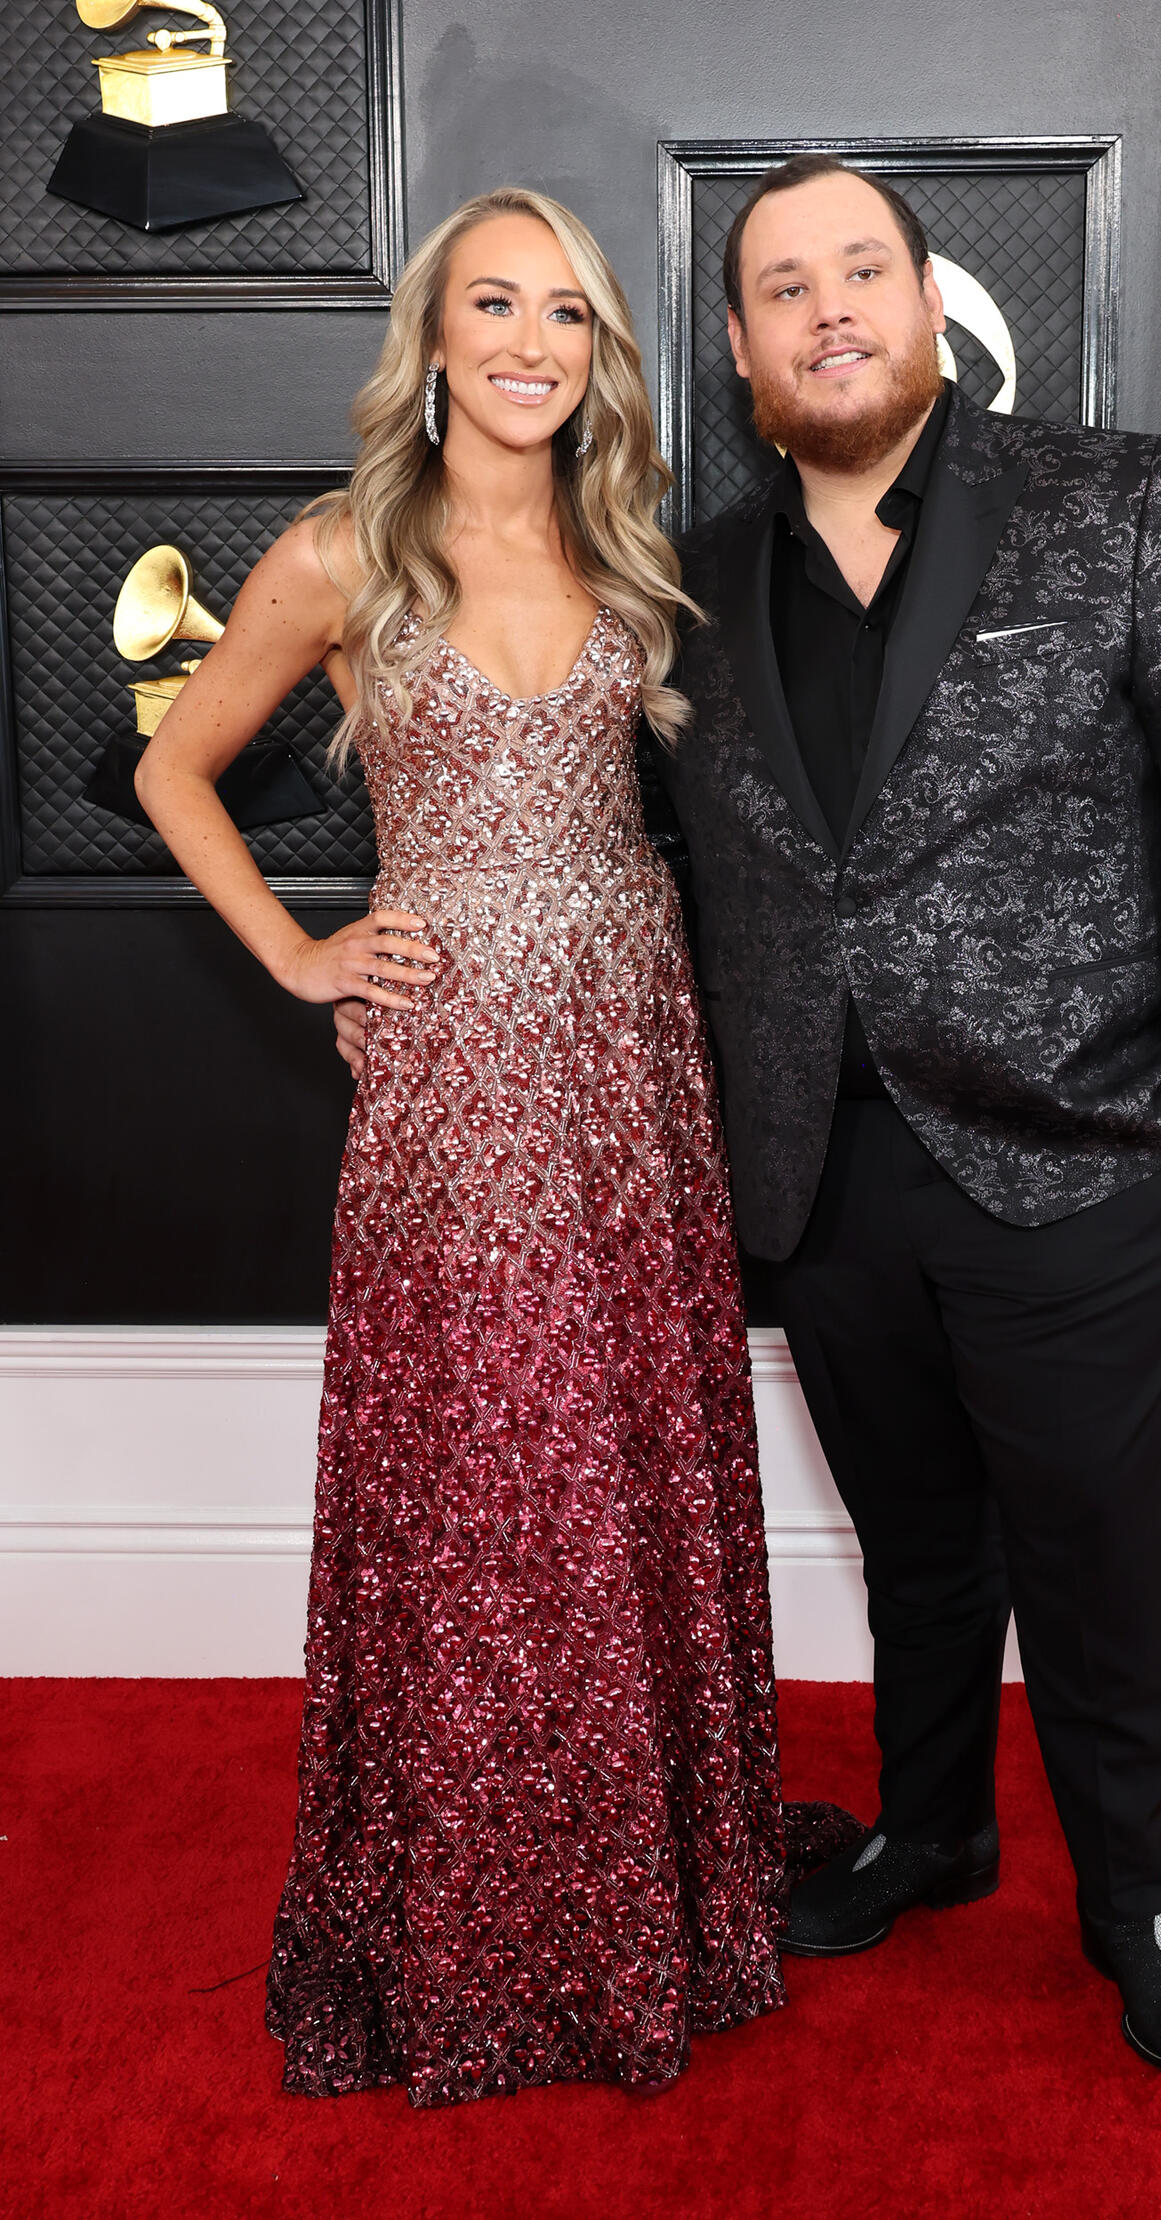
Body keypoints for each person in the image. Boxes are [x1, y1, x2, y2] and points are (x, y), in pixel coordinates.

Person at [336, 158, 1161, 2075]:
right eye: (784, 286)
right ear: (738, 346)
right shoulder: (681, 581)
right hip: (815, 1172)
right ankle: (932, 1832)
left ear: (930, 302)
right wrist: (414, 957)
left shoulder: (1117, 496)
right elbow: (611, 851)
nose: (828, 309)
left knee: (1097, 1551)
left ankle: (1141, 1904)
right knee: (915, 1539)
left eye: (862, 269)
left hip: (1091, 1156)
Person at [136, 187, 849, 2107]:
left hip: (629, 1057)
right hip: (452, 1073)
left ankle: (648, 1895)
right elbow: (169, 764)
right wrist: (301, 951)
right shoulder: (341, 558)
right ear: (432, 341)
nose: (531, 344)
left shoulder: (638, 560)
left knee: (621, 1456)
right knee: (475, 1487)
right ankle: (469, 1922)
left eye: (567, 315)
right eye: (494, 309)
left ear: (598, 351)